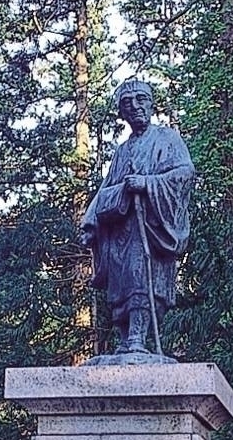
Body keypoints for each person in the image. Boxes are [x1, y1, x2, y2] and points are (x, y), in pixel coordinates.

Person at [81, 80, 195, 355]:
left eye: (140, 99)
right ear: (121, 112)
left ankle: (137, 338)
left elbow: (185, 173)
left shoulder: (167, 139)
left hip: (150, 226)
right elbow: (107, 186)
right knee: (120, 283)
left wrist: (148, 184)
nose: (134, 106)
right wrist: (91, 222)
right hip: (120, 230)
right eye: (127, 103)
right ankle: (125, 340)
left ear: (151, 104)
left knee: (140, 278)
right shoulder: (122, 150)